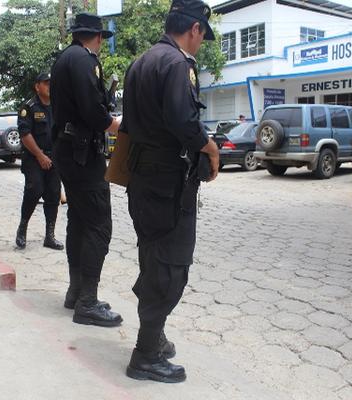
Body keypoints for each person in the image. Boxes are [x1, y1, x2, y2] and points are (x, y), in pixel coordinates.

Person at [121, 0, 219, 383]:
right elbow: (184, 121)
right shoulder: (178, 64)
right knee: (171, 266)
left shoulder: (142, 61)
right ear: (194, 28)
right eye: (201, 36)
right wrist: (209, 148)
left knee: (153, 257)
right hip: (168, 183)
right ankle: (145, 355)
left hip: (143, 179)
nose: (200, 44)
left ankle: (154, 336)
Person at [51, 12, 122, 326]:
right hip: (82, 153)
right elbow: (92, 110)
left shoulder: (65, 58)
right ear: (96, 37)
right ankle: (88, 302)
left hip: (69, 151)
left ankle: (77, 292)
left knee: (79, 221)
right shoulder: (84, 60)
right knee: (98, 225)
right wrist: (113, 124)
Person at [15, 73, 64, 251]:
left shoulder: (59, 106)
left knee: (53, 194)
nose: (50, 86)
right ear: (37, 86)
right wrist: (40, 155)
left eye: (52, 83)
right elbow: (25, 134)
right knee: (34, 190)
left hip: (54, 158)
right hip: (33, 158)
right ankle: (22, 228)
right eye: (46, 83)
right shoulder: (29, 108)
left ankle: (49, 236)